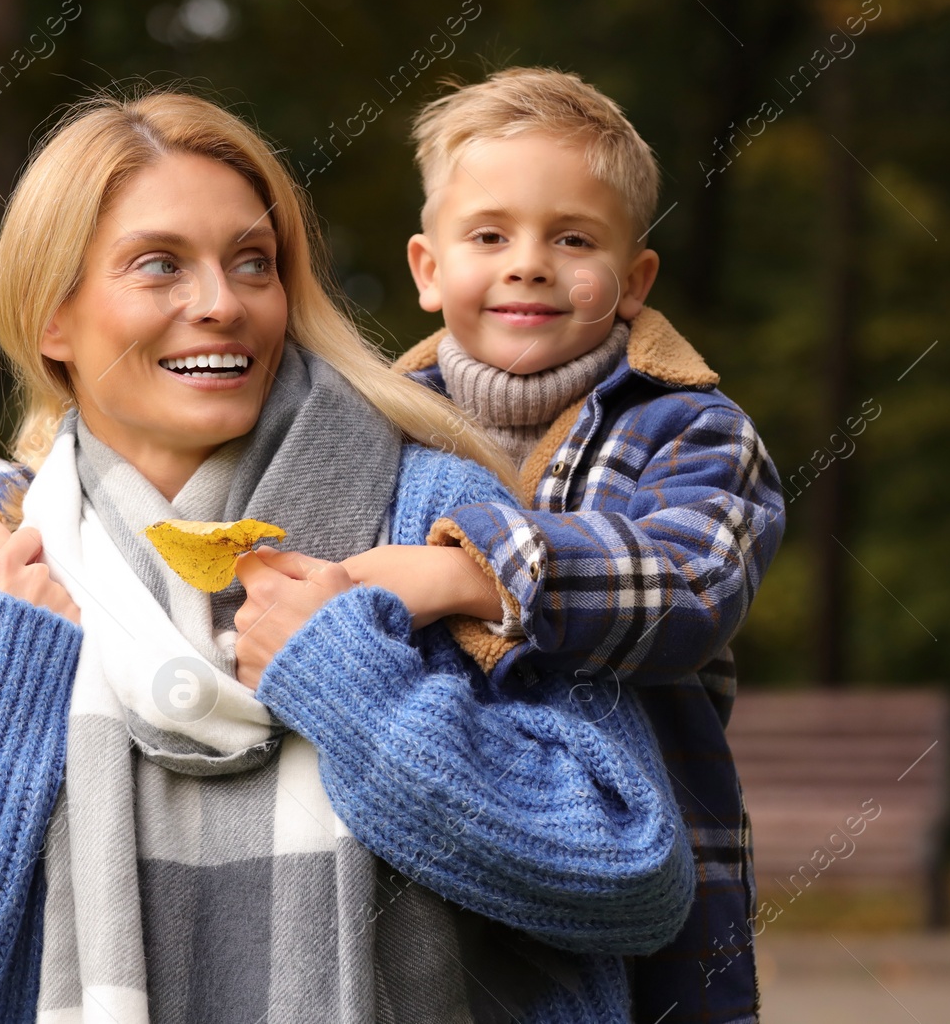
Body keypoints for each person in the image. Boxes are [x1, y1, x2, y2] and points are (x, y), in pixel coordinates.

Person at [0, 88, 696, 1024]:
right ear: (52, 317)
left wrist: (350, 684)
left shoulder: (434, 514)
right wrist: (2, 676)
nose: (221, 304)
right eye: (158, 266)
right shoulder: (29, 558)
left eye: (253, 263)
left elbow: (632, 875)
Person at [327, 67, 787, 1024]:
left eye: (572, 238)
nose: (528, 262)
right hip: (429, 857)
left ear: (633, 279)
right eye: (489, 235)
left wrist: (469, 571)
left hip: (647, 880)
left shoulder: (693, 430)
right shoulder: (373, 429)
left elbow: (690, 582)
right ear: (426, 268)